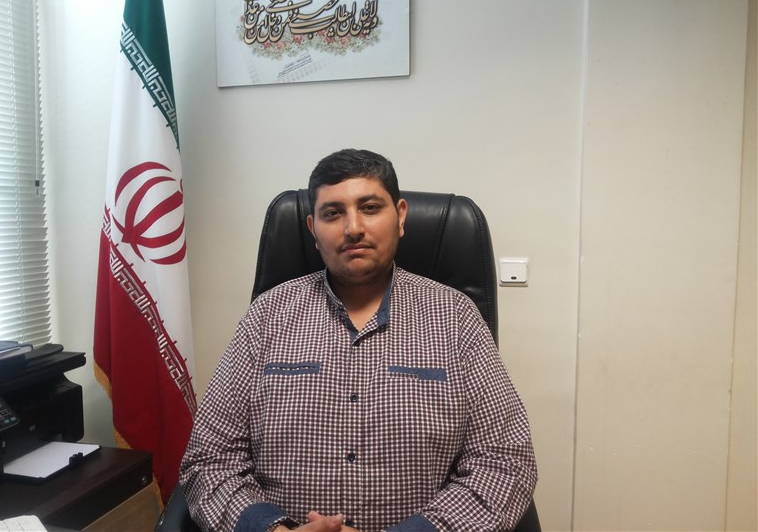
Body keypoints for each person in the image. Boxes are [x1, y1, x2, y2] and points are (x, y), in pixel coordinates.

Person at [180, 149, 537, 532]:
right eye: (333, 213)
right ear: (312, 229)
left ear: (400, 216)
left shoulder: (455, 317)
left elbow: (505, 461)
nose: (353, 228)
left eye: (369, 208)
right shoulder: (268, 315)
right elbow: (210, 458)